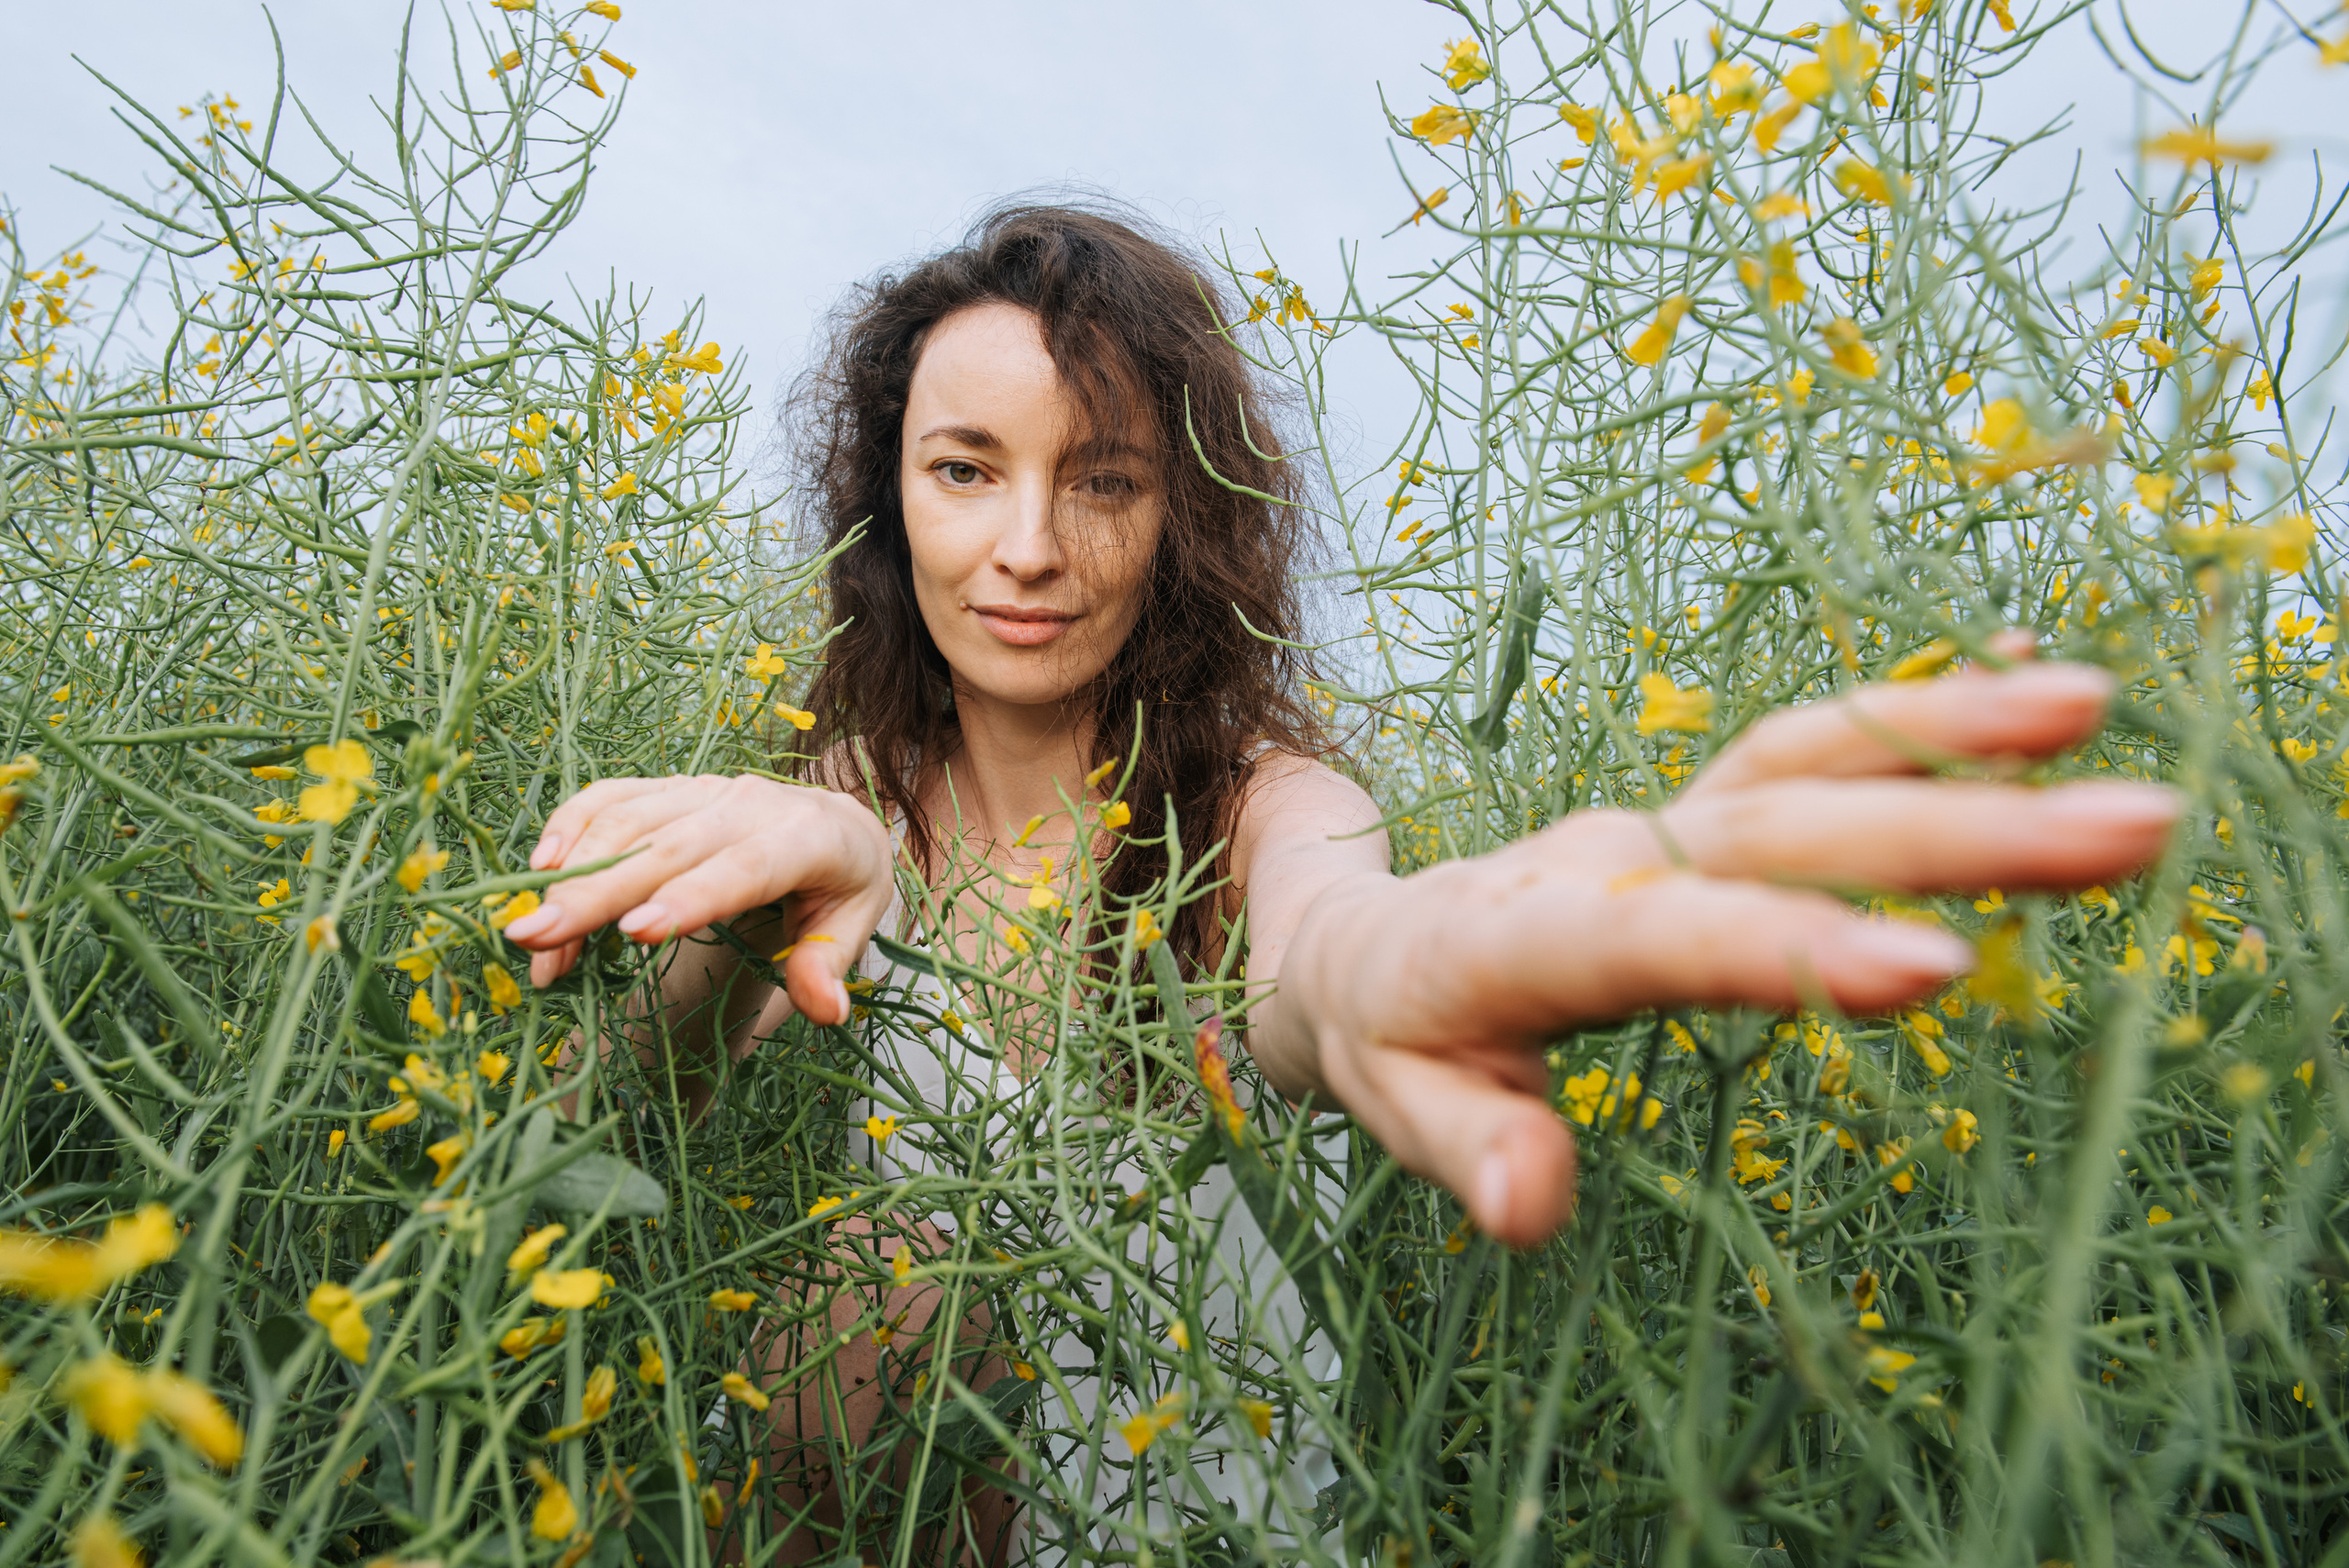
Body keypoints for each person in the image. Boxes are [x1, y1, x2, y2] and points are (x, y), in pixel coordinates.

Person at [498, 203, 2179, 1545]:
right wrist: (736, 912)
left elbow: (1329, 945)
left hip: (1178, 1495)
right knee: (859, 1308)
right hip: (888, 1494)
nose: (1027, 547)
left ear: (1182, 523)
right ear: (890, 501)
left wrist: (1394, 965)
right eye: (966, 470)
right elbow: (616, 1123)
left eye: (1104, 480)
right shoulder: (837, 800)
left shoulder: (1260, 802)